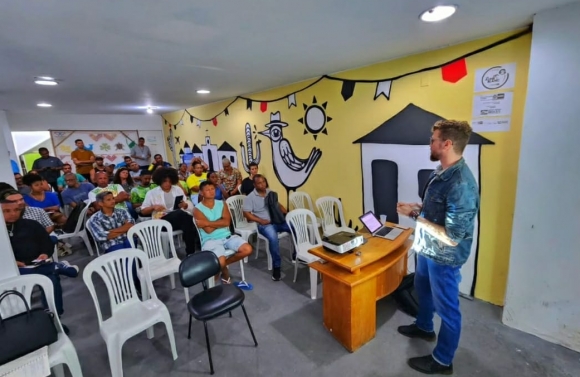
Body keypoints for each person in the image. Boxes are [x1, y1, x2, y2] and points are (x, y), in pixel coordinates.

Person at [396, 120, 480, 375]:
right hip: (427, 248)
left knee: (448, 310)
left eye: (433, 140)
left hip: (445, 256)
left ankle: (443, 361)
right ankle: (424, 327)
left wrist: (413, 216)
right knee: (422, 288)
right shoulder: (440, 171)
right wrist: (419, 208)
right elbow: (436, 212)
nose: (429, 143)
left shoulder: (461, 184)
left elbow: (452, 235)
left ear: (447, 144)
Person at [3, 199, 78, 323]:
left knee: (51, 280)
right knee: (49, 274)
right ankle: (56, 267)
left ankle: (54, 319)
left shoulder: (31, 224)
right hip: (11, 270)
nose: (13, 213)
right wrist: (12, 262)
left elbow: (46, 242)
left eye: (16, 210)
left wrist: (44, 253)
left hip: (36, 262)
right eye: (6, 211)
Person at [194, 181, 252, 284]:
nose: (211, 192)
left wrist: (207, 222)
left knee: (247, 249)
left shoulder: (222, 203)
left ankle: (222, 267)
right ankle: (225, 274)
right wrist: (219, 221)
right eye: (207, 190)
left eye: (212, 189)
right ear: (201, 193)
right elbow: (208, 230)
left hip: (227, 236)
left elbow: (226, 222)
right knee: (219, 261)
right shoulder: (197, 209)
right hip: (210, 239)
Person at [243, 174, 291, 281]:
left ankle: (296, 255)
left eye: (263, 182)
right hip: (265, 225)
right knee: (273, 238)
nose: (262, 184)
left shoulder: (270, 193)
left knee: (295, 226)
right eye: (259, 183)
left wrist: (287, 214)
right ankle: (277, 266)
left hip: (277, 221)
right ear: (255, 185)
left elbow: (278, 205)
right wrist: (260, 221)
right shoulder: (250, 197)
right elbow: (246, 214)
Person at [140, 167, 197, 254]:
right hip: (161, 221)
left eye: (170, 181)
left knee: (187, 220)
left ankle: (190, 252)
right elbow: (143, 211)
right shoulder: (152, 193)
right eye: (165, 181)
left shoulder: (177, 189)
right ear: (159, 181)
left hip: (178, 219)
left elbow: (185, 203)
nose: (167, 184)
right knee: (185, 217)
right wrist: (153, 207)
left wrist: (184, 205)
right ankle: (191, 252)